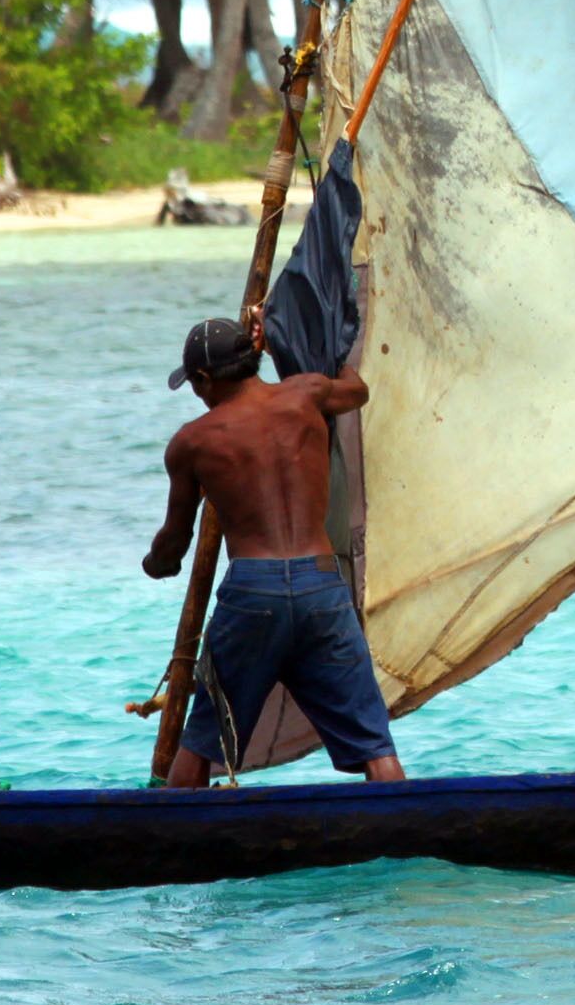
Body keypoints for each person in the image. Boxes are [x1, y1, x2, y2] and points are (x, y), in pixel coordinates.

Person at [146, 315, 406, 786]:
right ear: (253, 358)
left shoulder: (192, 441)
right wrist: (294, 334)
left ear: (204, 379)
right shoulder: (307, 394)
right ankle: (406, 832)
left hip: (253, 592)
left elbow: (174, 541)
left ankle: (174, 836)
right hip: (322, 586)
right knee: (373, 744)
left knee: (203, 739)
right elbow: (358, 387)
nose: (197, 395)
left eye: (194, 384)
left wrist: (156, 563)